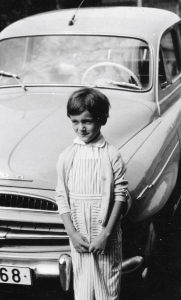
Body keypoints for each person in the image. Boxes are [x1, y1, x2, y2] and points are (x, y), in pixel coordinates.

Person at [55, 88, 129, 300]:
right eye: (75, 122)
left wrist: (105, 234)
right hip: (79, 234)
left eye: (87, 121)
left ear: (102, 119)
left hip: (104, 234)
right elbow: (62, 197)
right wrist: (72, 234)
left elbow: (120, 196)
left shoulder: (111, 155)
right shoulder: (67, 156)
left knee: (107, 288)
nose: (81, 128)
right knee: (83, 290)